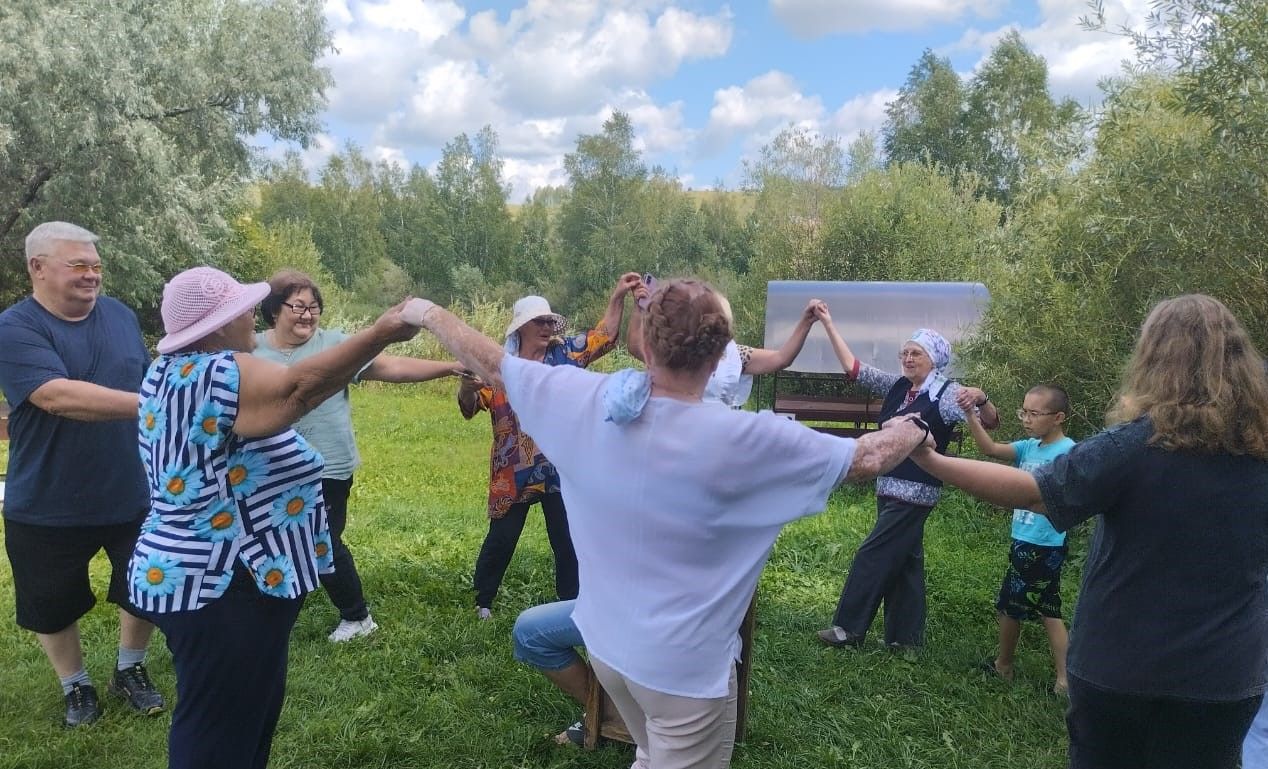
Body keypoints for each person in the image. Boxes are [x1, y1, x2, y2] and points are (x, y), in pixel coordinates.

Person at [407, 278, 933, 768]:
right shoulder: (749, 440)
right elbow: (866, 458)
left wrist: (425, 312)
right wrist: (916, 424)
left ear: (646, 346)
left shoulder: (587, 400)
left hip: (608, 648)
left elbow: (495, 364)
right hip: (684, 676)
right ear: (721, 356)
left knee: (651, 752)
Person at [908, 294, 1268, 769]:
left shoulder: (1136, 444)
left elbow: (1030, 491)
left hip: (1121, 667)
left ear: (1154, 360)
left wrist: (929, 457)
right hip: (1224, 675)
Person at [130, 266, 419, 769]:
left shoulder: (170, 371)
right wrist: (379, 333)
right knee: (216, 731)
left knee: (239, 720)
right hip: (225, 583)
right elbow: (298, 391)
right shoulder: (222, 370)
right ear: (218, 324)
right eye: (241, 309)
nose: (250, 317)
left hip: (203, 578)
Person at [0, 221, 164, 727]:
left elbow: (145, 373)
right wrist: (158, 403)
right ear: (38, 267)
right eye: (79, 265)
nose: (92, 275)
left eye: (96, 265)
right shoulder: (13, 328)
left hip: (130, 488)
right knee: (51, 602)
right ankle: (76, 685)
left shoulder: (117, 314)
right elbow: (56, 395)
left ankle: (129, 669)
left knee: (146, 584)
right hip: (46, 497)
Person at [255, 270, 457, 642]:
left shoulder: (335, 345)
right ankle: (274, 614)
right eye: (298, 306)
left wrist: (451, 366)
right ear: (273, 310)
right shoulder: (252, 350)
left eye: (314, 307)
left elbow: (391, 366)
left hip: (327, 465)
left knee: (324, 540)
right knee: (275, 541)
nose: (307, 314)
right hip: (269, 469)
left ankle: (358, 617)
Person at [814, 303, 999, 650]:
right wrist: (827, 323)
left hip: (916, 492)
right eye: (905, 352)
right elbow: (855, 370)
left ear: (934, 360)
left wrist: (982, 397)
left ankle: (847, 629)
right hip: (888, 487)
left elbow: (990, 421)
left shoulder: (945, 394)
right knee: (905, 562)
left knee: (872, 554)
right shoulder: (899, 386)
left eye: (916, 353)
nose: (908, 358)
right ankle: (905, 640)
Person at [457, 274, 640, 620]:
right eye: (538, 322)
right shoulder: (500, 366)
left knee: (568, 539)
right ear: (521, 328)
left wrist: (618, 296)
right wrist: (468, 386)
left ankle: (571, 602)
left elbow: (605, 335)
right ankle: (482, 601)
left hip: (561, 468)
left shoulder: (564, 355)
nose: (546, 327)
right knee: (502, 538)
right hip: (513, 471)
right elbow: (469, 407)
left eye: (548, 321)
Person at [960, 384, 1074, 694]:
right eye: (1024, 412)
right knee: (1049, 609)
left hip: (1043, 543)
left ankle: (1004, 666)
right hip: (1026, 540)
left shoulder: (1068, 453)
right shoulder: (1028, 447)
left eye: (1034, 414)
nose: (1026, 419)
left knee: (1009, 606)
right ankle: (1065, 679)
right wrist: (971, 414)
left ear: (1058, 417)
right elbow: (991, 449)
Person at [626, 280, 822, 408]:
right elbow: (636, 345)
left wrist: (805, 323)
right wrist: (639, 307)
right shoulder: (678, 347)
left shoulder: (738, 354)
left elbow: (780, 358)